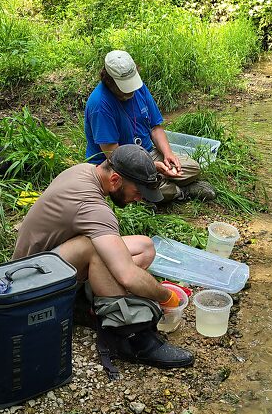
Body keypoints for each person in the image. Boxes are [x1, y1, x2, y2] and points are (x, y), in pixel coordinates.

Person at [12, 143, 194, 370]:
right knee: (96, 250)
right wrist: (165, 296)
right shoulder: (93, 208)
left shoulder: (84, 171)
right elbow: (127, 275)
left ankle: (85, 303)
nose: (138, 199)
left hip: (44, 263)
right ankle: (129, 336)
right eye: (137, 192)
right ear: (116, 180)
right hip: (32, 287)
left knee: (145, 247)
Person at [84, 50, 216, 203]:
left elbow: (155, 127)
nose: (131, 92)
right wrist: (152, 167)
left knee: (192, 167)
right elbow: (114, 156)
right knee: (153, 187)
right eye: (124, 89)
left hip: (146, 153)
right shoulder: (100, 104)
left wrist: (168, 155)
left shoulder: (138, 87)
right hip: (117, 166)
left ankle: (157, 184)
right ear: (109, 81)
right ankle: (180, 191)